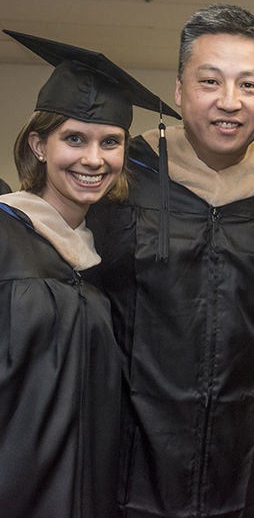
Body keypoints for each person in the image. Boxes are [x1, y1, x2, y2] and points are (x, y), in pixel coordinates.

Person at [85, 4, 254, 518]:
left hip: (236, 459)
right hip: (122, 458)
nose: (229, 102)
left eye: (249, 85)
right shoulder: (118, 180)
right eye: (209, 81)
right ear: (179, 92)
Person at [0, 30, 178, 518]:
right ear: (38, 144)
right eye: (73, 139)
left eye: (110, 142)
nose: (93, 159)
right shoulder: (4, 237)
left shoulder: (94, 258)